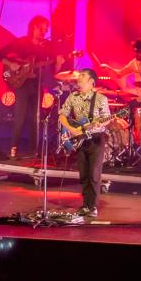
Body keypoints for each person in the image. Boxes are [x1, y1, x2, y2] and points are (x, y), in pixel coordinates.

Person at [0, 15, 66, 159]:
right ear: (34, 27)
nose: (44, 32)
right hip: (22, 83)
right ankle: (13, 149)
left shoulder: (46, 47)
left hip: (36, 84)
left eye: (46, 30)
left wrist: (58, 63)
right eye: (42, 29)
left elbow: (54, 71)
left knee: (36, 117)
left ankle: (33, 152)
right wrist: (11, 64)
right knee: (20, 117)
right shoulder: (21, 42)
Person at [57, 67, 112, 219]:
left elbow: (106, 119)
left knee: (94, 174)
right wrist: (70, 129)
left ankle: (92, 206)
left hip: (95, 138)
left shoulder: (101, 98)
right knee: (83, 174)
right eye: (79, 76)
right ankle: (85, 205)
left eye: (82, 76)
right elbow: (62, 115)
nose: (78, 79)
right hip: (79, 139)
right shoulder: (72, 97)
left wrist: (97, 124)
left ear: (91, 81)